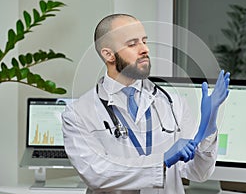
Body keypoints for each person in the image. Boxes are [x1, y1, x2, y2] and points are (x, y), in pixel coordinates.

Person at [62, 13, 230, 194]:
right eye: (132, 44)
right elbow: (97, 174)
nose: (144, 49)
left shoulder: (173, 102)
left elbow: (198, 172)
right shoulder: (78, 113)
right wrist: (162, 161)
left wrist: (208, 128)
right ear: (108, 54)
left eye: (144, 41)